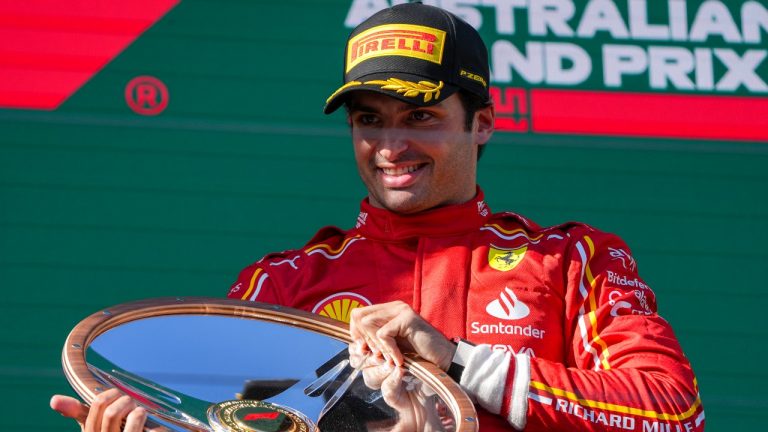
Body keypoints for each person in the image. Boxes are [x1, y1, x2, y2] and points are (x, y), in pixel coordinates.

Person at [51, 3, 705, 431]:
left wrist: (459, 366)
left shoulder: (568, 262)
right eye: (369, 120)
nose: (390, 146)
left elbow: (673, 412)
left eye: (420, 117)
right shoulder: (280, 287)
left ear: (482, 124)